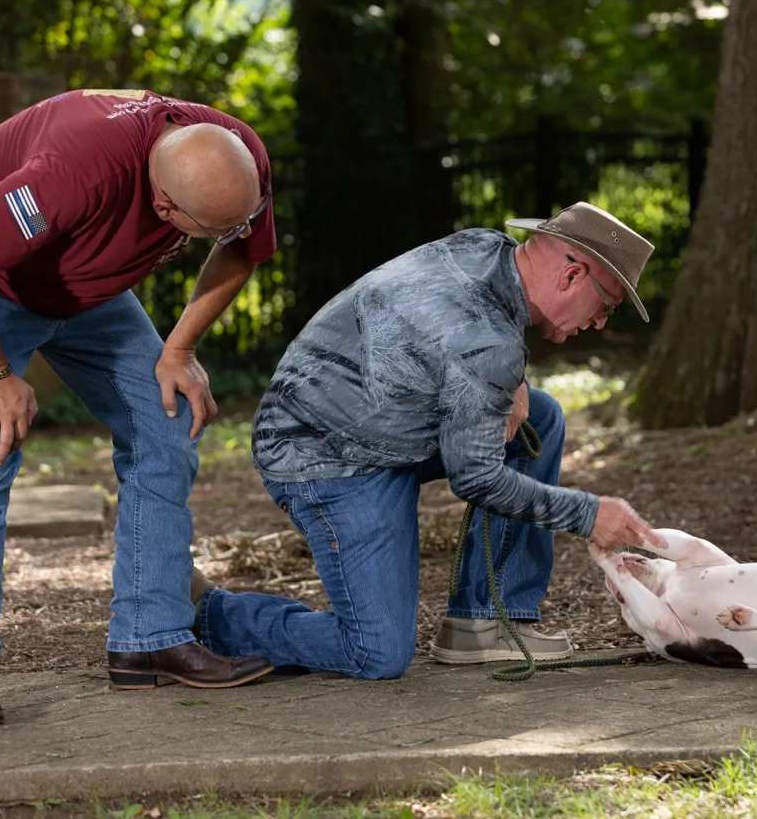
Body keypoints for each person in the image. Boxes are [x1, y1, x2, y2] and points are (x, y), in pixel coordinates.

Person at [0, 88, 277, 726]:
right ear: (164, 206)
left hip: (81, 286)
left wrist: (179, 349)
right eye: (214, 229)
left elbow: (242, 249)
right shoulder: (76, 172)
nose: (237, 232)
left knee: (167, 419)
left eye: (243, 218)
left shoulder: (234, 159)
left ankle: (151, 638)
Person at [191, 201, 669, 680]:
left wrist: (514, 379)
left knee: (539, 417)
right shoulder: (490, 346)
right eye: (607, 305)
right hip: (322, 457)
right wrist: (588, 515)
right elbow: (477, 477)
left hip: (366, 418)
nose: (602, 322)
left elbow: (455, 328)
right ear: (571, 276)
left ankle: (485, 622)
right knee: (375, 653)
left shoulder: (485, 246)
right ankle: (205, 612)